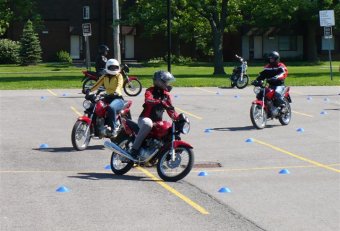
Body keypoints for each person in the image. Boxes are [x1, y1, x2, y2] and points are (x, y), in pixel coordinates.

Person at [130, 70, 180, 158]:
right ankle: (134, 150)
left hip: (157, 122)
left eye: (168, 81)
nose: (167, 83)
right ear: (158, 81)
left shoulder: (166, 95)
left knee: (169, 128)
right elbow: (148, 100)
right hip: (145, 118)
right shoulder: (150, 91)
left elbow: (170, 110)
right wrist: (159, 102)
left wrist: (179, 118)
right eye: (166, 81)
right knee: (148, 124)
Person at [87, 58, 124, 137]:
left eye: (115, 67)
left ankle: (113, 130)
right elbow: (97, 84)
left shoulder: (119, 76)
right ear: (107, 67)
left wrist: (116, 92)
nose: (113, 69)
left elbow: (119, 85)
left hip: (117, 98)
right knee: (95, 107)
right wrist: (89, 90)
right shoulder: (105, 76)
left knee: (111, 108)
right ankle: (94, 129)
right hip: (108, 97)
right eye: (111, 67)